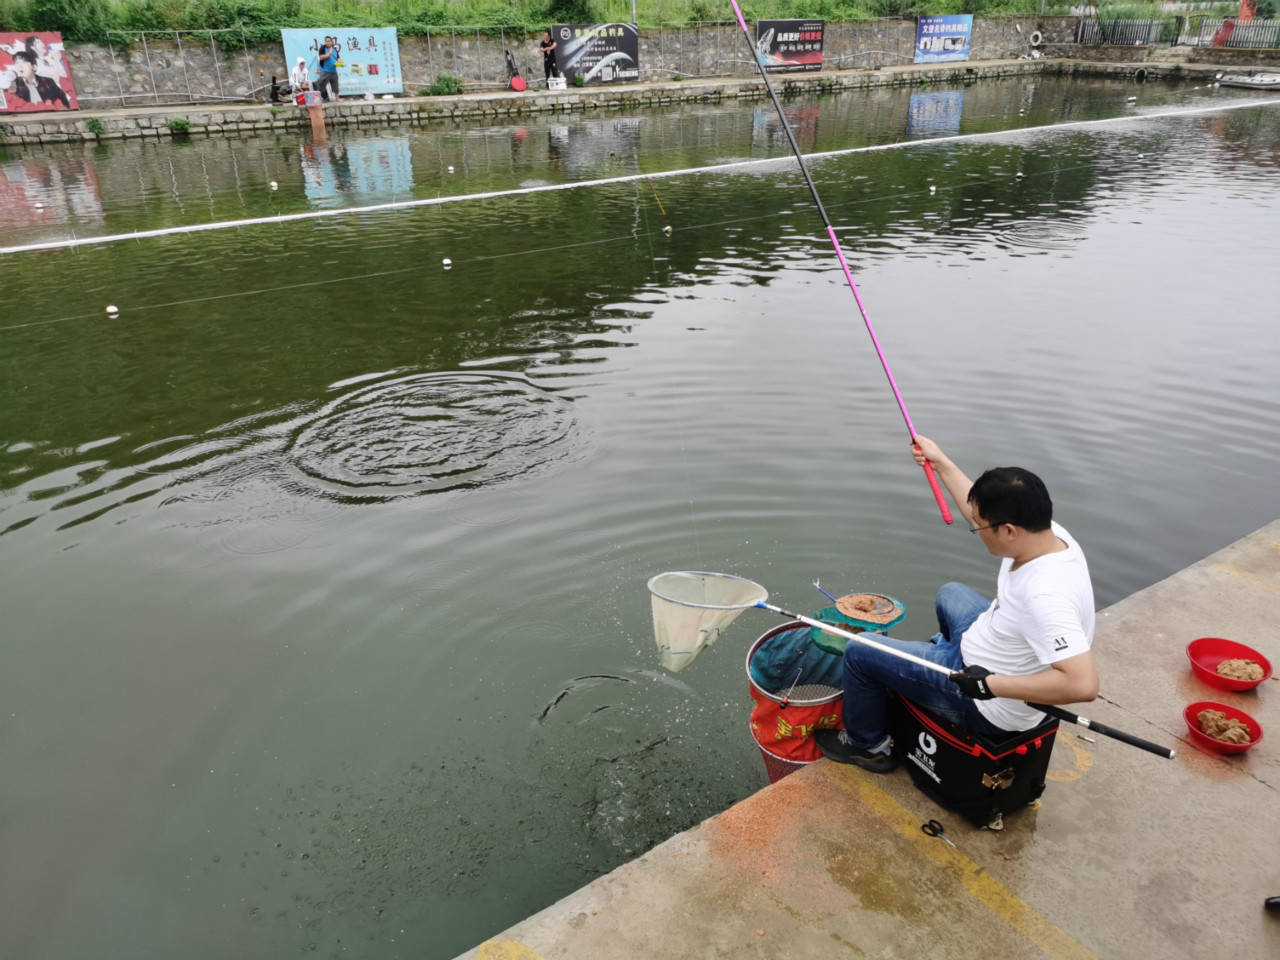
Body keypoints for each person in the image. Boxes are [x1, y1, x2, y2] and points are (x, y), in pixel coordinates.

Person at [814, 435, 1099, 773]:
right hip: (990, 643)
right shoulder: (1047, 533)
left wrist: (988, 684)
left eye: (978, 526)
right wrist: (940, 461)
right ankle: (932, 662)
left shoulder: (1045, 596)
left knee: (860, 651)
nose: (975, 528)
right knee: (951, 592)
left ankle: (869, 746)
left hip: (986, 702)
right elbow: (978, 508)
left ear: (1009, 531)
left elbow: (1083, 684)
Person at [5, 50, 69, 109]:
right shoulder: (12, 84)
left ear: (34, 67)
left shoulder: (48, 81)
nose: (19, 66)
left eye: (23, 62)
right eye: (16, 63)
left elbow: (63, 99)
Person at [316, 36, 340, 102]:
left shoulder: (335, 49)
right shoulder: (322, 48)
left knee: (335, 85)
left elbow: (338, 57)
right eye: (326, 41)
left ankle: (337, 98)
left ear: (332, 42)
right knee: (321, 84)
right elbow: (321, 57)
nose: (328, 42)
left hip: (333, 70)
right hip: (325, 70)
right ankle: (321, 98)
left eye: (329, 41)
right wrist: (328, 54)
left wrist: (339, 61)